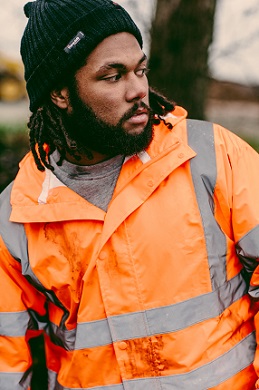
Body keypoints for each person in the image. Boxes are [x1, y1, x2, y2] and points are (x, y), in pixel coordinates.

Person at [0, 0, 259, 389]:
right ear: (59, 94)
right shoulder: (16, 216)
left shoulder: (211, 155)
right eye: (113, 76)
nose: (139, 89)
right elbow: (8, 360)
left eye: (141, 69)